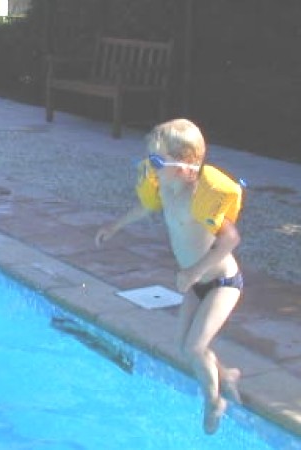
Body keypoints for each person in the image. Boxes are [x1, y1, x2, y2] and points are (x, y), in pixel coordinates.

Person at [94, 118, 244, 435]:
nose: (150, 166)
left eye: (157, 160)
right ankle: (226, 375)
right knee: (184, 345)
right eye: (150, 158)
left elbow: (230, 240)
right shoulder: (167, 190)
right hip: (196, 283)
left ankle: (213, 401)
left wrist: (194, 270)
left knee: (194, 348)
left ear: (185, 166)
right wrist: (114, 226)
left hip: (222, 283)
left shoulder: (196, 198)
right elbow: (143, 208)